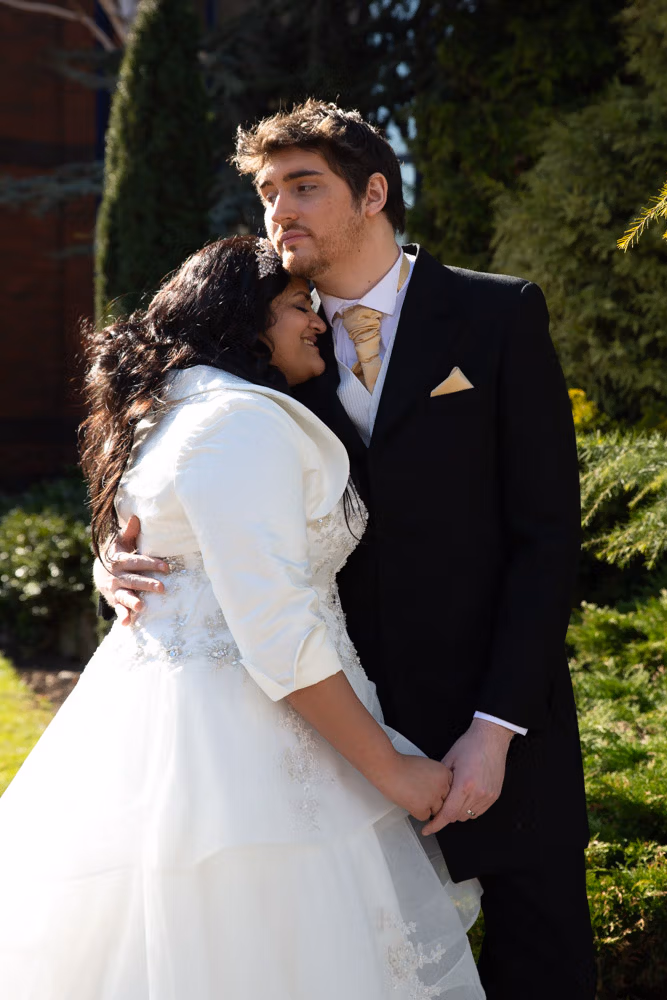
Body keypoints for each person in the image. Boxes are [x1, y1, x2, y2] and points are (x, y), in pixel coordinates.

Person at [101, 101, 596, 998]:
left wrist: (497, 730)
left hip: (492, 731)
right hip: (329, 745)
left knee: (541, 964)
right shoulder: (264, 341)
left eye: (303, 187)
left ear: (374, 193)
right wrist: (118, 555)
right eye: (266, 192)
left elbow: (547, 538)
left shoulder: (497, 315)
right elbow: (173, 471)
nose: (278, 212)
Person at [0, 235, 486, 1000]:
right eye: (299, 307)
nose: (319, 321)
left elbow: (180, 551)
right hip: (247, 754)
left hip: (173, 733)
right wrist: (390, 769)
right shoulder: (239, 422)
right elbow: (276, 632)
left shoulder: (169, 415)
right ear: (243, 320)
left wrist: (108, 563)